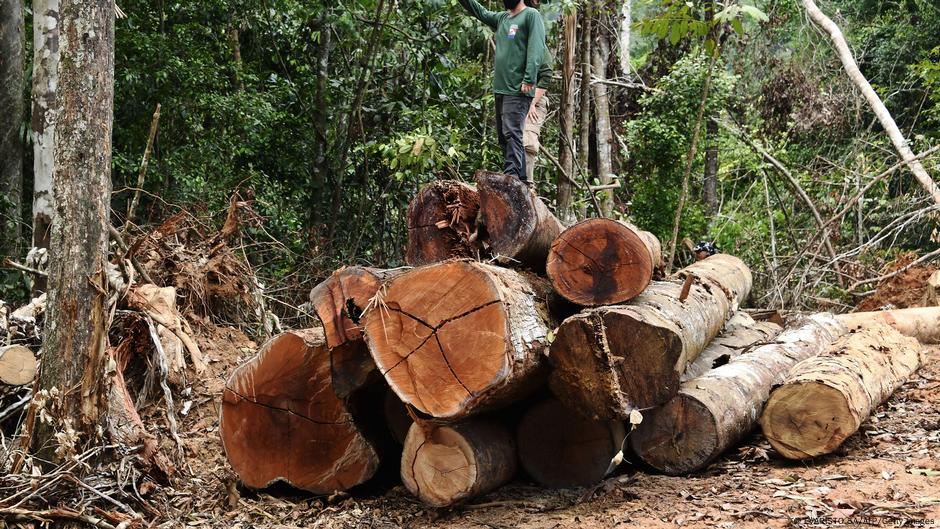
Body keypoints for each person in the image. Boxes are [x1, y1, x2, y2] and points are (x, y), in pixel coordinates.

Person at [457, 0, 547, 182]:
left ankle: (512, 177)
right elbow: (479, 11)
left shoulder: (531, 15)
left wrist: (529, 77)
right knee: (503, 137)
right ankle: (520, 180)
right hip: (501, 89)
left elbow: (537, 48)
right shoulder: (502, 18)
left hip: (518, 89)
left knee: (512, 133)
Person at [524, 54, 552, 186]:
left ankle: (526, 185)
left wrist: (532, 102)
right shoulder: (514, 41)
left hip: (535, 99)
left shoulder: (538, 45)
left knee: (528, 142)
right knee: (512, 140)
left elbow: (546, 75)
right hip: (516, 98)